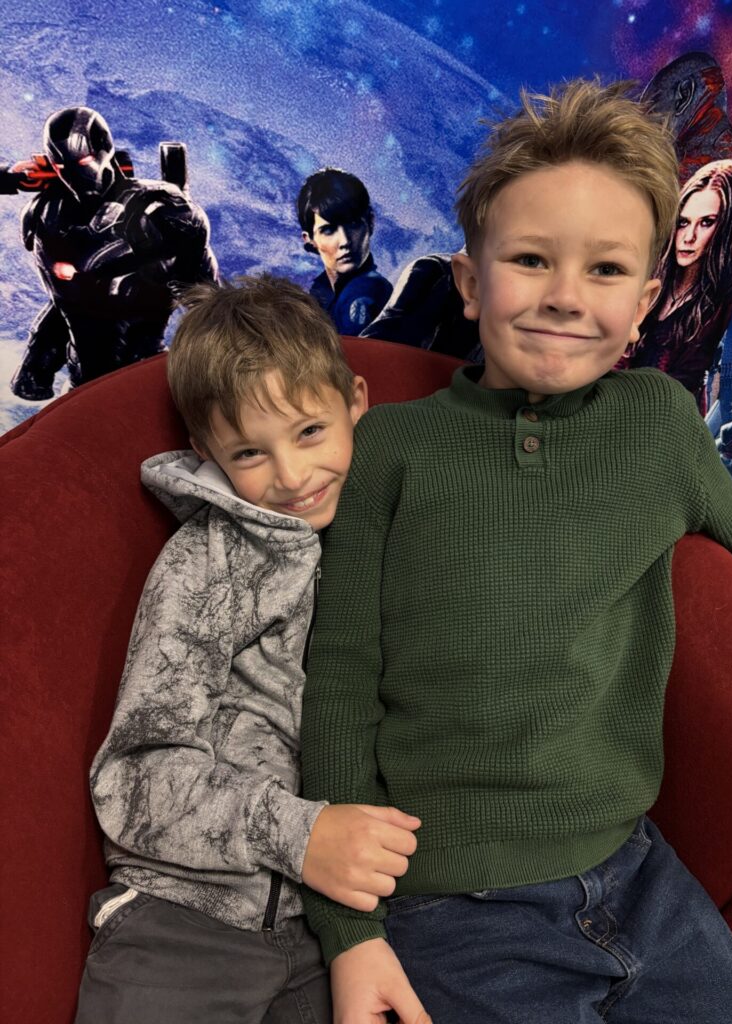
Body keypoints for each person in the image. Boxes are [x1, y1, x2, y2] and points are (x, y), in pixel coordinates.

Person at [299, 81, 732, 1023]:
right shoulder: (391, 448)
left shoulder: (661, 425)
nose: (564, 296)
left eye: (605, 270)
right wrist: (350, 933)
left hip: (639, 872)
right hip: (452, 903)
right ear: (471, 281)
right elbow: (340, 679)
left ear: (644, 302)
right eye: (529, 259)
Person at [75, 275, 421, 1024]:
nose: (293, 477)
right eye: (251, 452)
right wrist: (297, 835)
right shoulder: (205, 562)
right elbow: (133, 777)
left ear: (356, 402)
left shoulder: (396, 534)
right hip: (184, 917)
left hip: (330, 929)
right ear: (207, 451)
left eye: (310, 431)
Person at [6, 106, 218, 400]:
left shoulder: (160, 211)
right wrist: (35, 369)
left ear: (102, 150)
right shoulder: (46, 213)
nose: (78, 174)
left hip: (141, 371)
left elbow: (204, 297)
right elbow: (69, 304)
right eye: (63, 166)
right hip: (86, 379)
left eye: (83, 161)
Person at [626, 159, 732, 411]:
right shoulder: (654, 269)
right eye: (683, 222)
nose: (689, 237)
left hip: (667, 420)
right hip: (605, 405)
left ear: (725, 226)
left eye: (706, 222)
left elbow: (720, 383)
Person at [298, 167, 392, 335]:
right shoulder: (320, 293)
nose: (345, 241)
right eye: (329, 230)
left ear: (370, 222)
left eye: (353, 224)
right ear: (310, 239)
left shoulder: (368, 291)